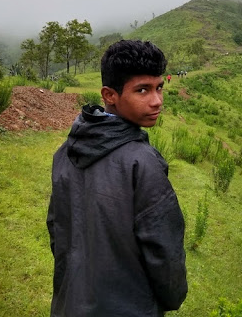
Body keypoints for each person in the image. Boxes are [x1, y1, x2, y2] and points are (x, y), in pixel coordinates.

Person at [47, 40, 188, 316]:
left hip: (70, 302)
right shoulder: (143, 163)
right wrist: (171, 298)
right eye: (142, 90)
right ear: (109, 95)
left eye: (159, 87)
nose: (157, 100)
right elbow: (164, 251)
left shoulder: (65, 151)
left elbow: (57, 230)